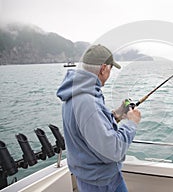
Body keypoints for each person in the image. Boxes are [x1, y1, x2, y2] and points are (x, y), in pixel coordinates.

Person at [56, 44, 141, 192]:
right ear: (103, 69)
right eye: (110, 69)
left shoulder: (75, 93)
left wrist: (116, 115)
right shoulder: (88, 103)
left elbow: (89, 130)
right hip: (102, 183)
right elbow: (113, 150)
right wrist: (131, 123)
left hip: (88, 178)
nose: (109, 74)